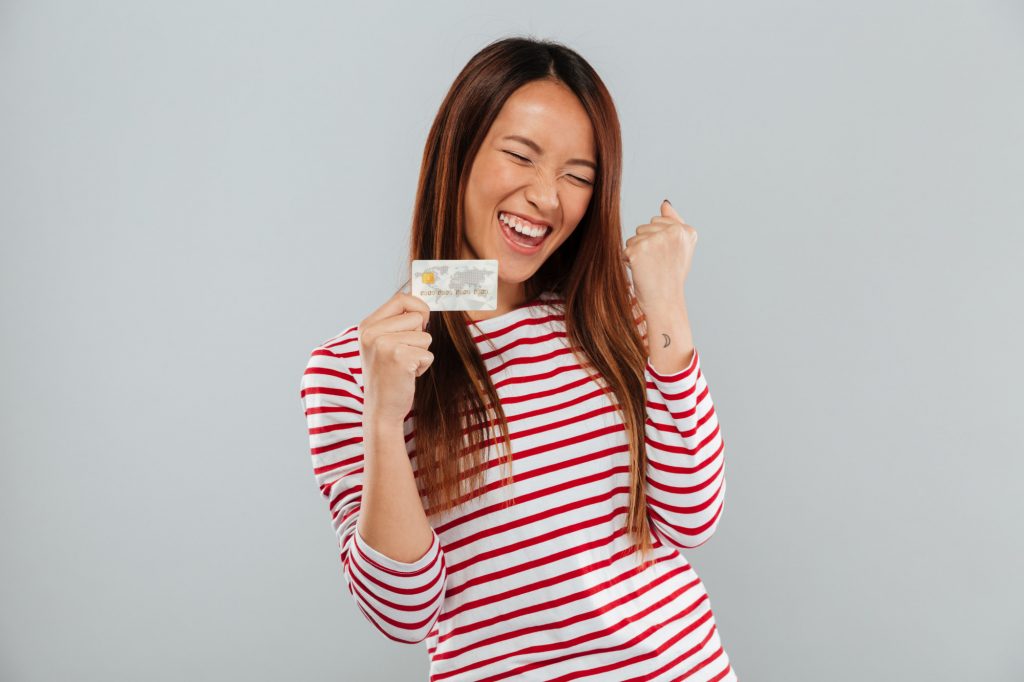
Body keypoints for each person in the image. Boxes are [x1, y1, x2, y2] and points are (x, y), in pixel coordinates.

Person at [299, 36, 737, 681]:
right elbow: (402, 613)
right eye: (520, 156)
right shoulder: (350, 369)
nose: (547, 197)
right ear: (460, 152)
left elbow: (692, 517)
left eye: (577, 176)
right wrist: (385, 418)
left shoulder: (614, 316)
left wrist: (666, 305)